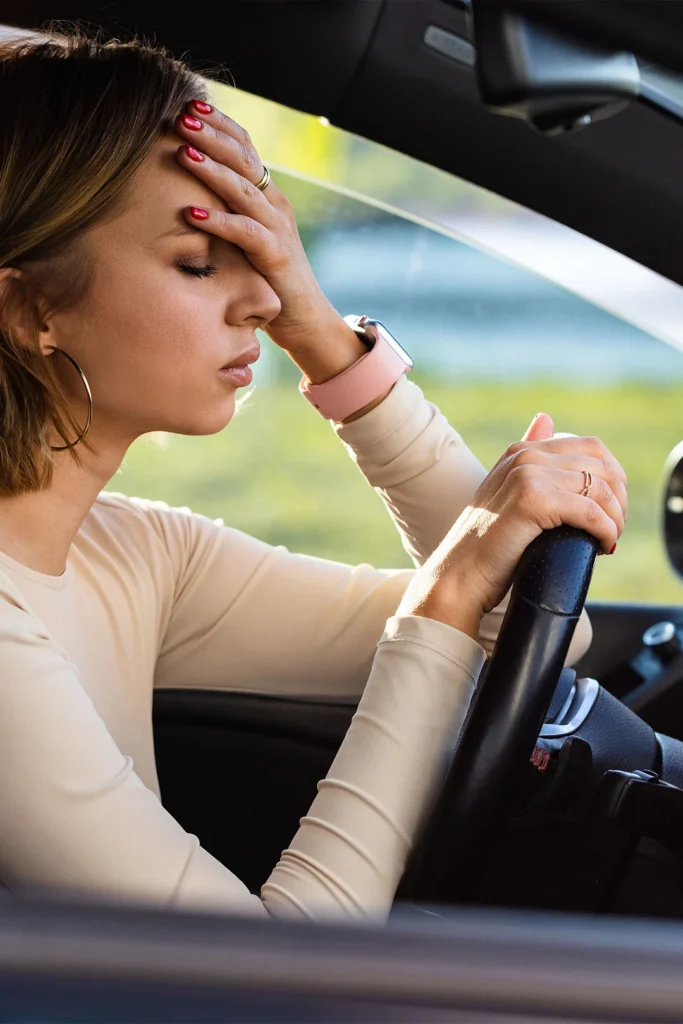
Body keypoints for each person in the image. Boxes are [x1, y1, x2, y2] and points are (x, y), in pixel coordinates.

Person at [0, 26, 626, 920]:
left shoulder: (135, 553)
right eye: (198, 263)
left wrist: (328, 342)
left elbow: (538, 629)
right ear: (30, 310)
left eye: (262, 257)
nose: (262, 299)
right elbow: (270, 983)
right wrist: (440, 596)